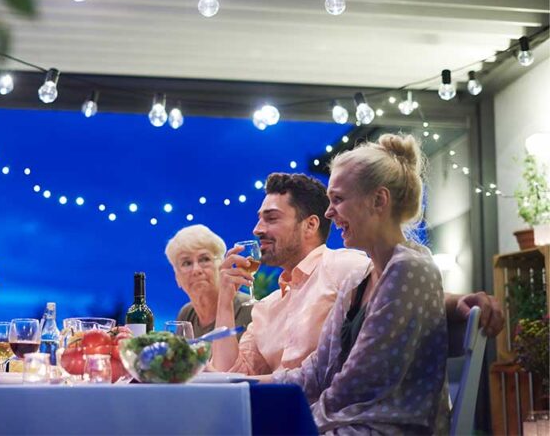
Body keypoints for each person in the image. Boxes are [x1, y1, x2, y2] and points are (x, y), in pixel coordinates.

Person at [212, 173, 503, 376]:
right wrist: (224, 301)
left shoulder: (341, 268)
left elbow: (400, 294)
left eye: (271, 218)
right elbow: (231, 376)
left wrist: (459, 301)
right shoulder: (267, 308)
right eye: (259, 218)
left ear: (311, 225)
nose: (257, 229)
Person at [271, 133, 448, 433]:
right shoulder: (359, 280)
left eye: (337, 199)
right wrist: (244, 386)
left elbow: (356, 387)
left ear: (379, 200)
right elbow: (314, 373)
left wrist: (288, 420)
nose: (328, 212)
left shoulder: (410, 271)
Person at [165, 225, 252, 338]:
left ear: (221, 266)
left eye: (205, 259)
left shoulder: (248, 310)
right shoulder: (186, 314)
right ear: (177, 277)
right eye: (186, 263)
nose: (196, 270)